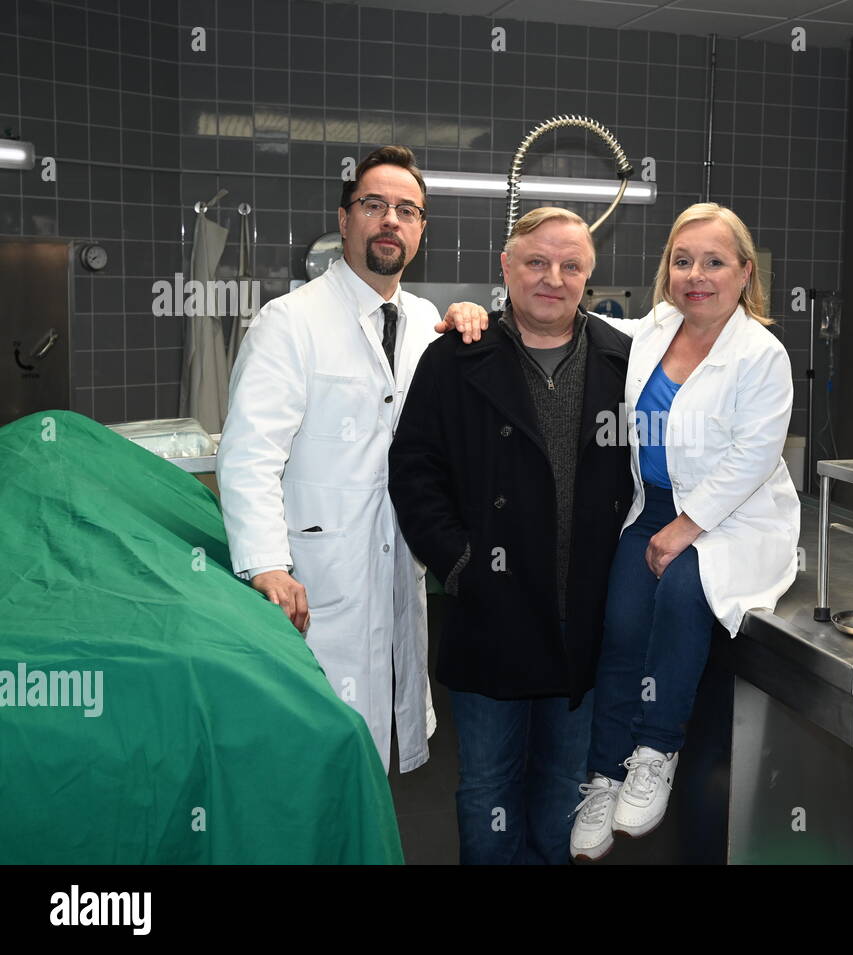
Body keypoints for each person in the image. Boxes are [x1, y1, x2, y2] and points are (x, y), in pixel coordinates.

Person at [217, 145, 484, 774]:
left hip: (397, 570)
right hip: (313, 576)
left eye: (407, 210)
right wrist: (266, 568)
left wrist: (474, 321)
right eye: (374, 205)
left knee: (381, 760)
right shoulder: (289, 322)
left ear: (420, 230)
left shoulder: (427, 323)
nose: (390, 219)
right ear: (344, 220)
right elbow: (249, 455)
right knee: (310, 761)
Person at [387, 207, 633, 864]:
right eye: (536, 262)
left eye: (570, 265)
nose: (552, 278)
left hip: (581, 622)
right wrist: (460, 563)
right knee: (489, 787)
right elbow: (414, 470)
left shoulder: (622, 362)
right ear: (506, 267)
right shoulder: (455, 359)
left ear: (589, 273)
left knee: (563, 790)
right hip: (491, 615)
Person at [569, 202, 800, 861]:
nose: (696, 274)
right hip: (654, 505)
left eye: (714, 261)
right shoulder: (653, 330)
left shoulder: (761, 353)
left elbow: (753, 456)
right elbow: (574, 328)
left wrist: (686, 528)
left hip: (731, 517)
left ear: (745, 272)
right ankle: (606, 773)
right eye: (682, 259)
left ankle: (656, 748)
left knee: (678, 593)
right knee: (618, 623)